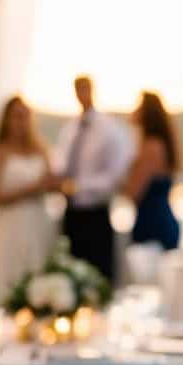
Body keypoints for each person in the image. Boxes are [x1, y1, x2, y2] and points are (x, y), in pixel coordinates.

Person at [0, 95, 58, 303]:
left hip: (39, 221)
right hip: (11, 224)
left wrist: (54, 185)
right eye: (16, 116)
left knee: (40, 274)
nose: (21, 121)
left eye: (25, 116)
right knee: (10, 276)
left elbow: (50, 182)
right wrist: (31, 189)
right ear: (6, 119)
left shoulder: (41, 149)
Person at [56, 75, 129, 281]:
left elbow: (115, 176)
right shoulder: (70, 129)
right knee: (71, 277)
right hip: (71, 213)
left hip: (96, 214)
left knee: (99, 277)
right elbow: (62, 164)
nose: (82, 94)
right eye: (78, 89)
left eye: (85, 89)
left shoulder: (109, 129)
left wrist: (78, 186)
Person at [124, 91, 181, 252]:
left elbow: (133, 192)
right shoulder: (159, 144)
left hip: (153, 226)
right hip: (159, 223)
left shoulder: (151, 147)